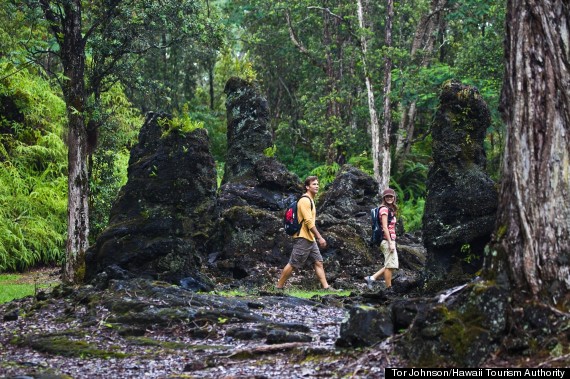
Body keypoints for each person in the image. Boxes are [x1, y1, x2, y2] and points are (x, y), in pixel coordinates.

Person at [276, 176, 337, 291]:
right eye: (314, 184)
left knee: (318, 262)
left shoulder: (310, 200)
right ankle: (278, 287)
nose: (317, 186)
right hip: (303, 237)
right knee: (293, 263)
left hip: (310, 238)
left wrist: (315, 237)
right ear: (307, 187)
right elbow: (308, 221)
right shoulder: (305, 200)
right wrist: (320, 237)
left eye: (317, 184)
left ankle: (326, 287)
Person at [365, 188, 399, 291]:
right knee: (390, 265)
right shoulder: (384, 209)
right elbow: (384, 227)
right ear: (384, 198)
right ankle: (388, 289)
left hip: (389, 240)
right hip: (386, 240)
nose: (389, 198)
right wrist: (390, 243)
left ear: (394, 198)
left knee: (391, 264)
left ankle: (372, 278)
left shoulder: (390, 209)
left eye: (391, 196)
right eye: (387, 196)